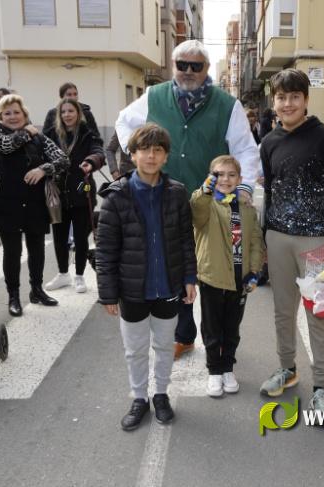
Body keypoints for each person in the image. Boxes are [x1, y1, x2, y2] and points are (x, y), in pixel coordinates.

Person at [115, 39, 261, 361]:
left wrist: (245, 187)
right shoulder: (154, 96)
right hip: (166, 197)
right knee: (174, 265)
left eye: (196, 66)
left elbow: (246, 149)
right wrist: (135, 151)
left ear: (206, 69)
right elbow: (124, 122)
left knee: (211, 270)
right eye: (182, 65)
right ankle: (183, 335)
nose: (189, 71)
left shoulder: (227, 105)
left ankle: (217, 338)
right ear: (173, 66)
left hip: (212, 204)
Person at [259, 69, 324, 412]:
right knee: (283, 311)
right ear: (274, 102)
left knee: (319, 315)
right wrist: (264, 239)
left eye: (294, 97)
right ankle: (287, 369)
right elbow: (270, 191)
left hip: (316, 240)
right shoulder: (269, 142)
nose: (287, 103)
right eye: (281, 97)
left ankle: (322, 387)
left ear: (306, 100)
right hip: (278, 238)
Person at [96, 123, 197, 431]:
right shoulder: (116, 197)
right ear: (132, 154)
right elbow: (105, 250)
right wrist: (108, 293)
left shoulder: (176, 193)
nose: (151, 156)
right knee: (135, 349)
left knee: (165, 347)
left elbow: (186, 239)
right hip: (132, 290)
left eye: (157, 150)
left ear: (166, 156)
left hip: (168, 287)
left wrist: (189, 277)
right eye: (144, 150)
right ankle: (139, 397)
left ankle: (161, 395)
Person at [0, 94, 68, 316]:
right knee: (12, 252)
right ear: (0, 116)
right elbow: (6, 145)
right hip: (7, 201)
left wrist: (43, 169)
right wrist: (26, 133)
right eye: (7, 113)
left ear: (24, 114)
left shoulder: (38, 136)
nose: (12, 116)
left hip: (34, 201)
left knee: (37, 249)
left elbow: (63, 159)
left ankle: (37, 290)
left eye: (17, 112)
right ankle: (13, 296)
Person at [190, 155, 264, 397]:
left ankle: (227, 368)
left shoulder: (246, 208)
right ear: (211, 177)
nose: (225, 179)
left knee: (232, 328)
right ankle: (214, 370)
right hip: (212, 277)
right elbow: (197, 211)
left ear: (240, 179)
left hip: (240, 280)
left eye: (231, 175)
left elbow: (255, 241)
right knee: (212, 328)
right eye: (219, 174)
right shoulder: (206, 204)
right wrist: (204, 191)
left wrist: (254, 271)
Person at [43, 98, 105, 294]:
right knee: (59, 237)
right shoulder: (51, 134)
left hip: (81, 191)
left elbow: (98, 151)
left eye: (71, 111)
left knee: (80, 237)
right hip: (58, 193)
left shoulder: (87, 133)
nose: (67, 115)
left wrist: (91, 161)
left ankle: (79, 276)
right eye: (63, 112)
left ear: (78, 113)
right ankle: (63, 274)